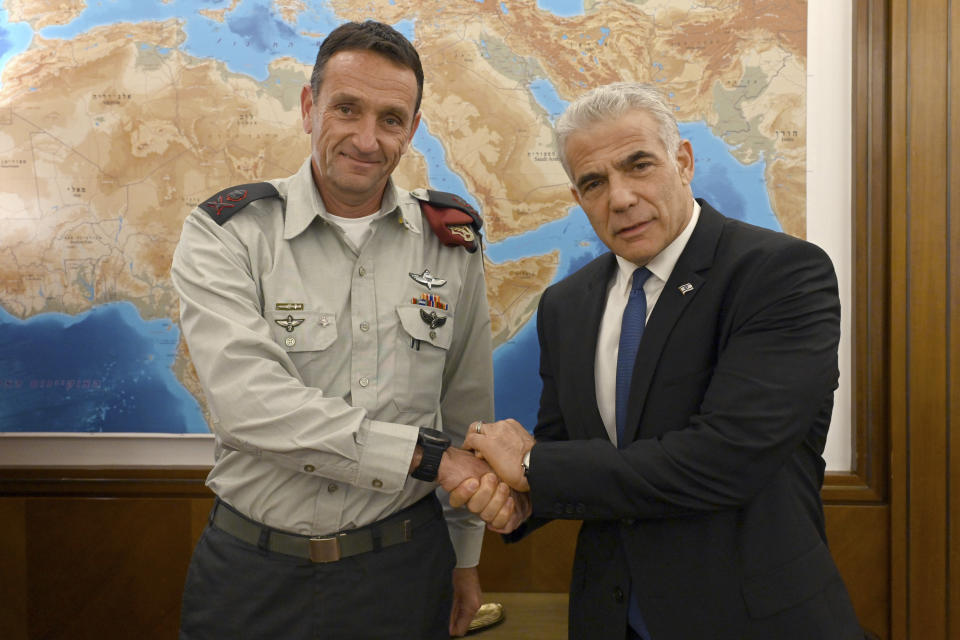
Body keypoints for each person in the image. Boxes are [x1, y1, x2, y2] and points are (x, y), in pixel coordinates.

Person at [451, 82, 864, 639]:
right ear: (578, 199)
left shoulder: (781, 274)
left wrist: (531, 470)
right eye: (594, 182)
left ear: (683, 161)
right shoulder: (565, 305)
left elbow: (725, 460)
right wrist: (523, 501)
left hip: (751, 621)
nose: (620, 198)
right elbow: (564, 445)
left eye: (638, 165)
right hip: (609, 619)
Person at [171, 20, 511, 639]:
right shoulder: (228, 232)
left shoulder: (450, 242)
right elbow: (248, 406)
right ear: (309, 107)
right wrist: (425, 457)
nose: (367, 138)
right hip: (253, 575)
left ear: (410, 129)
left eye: (390, 118)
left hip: (404, 570)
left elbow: (468, 410)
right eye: (346, 109)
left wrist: (465, 557)